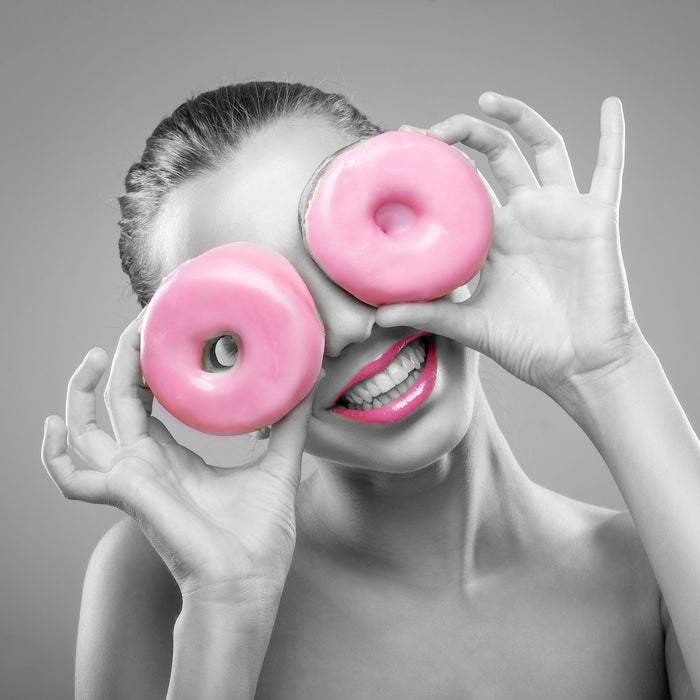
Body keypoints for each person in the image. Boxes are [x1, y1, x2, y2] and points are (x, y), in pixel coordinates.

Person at [41, 81, 700, 699]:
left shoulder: (658, 573)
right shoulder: (161, 582)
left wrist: (609, 370)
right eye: (245, 330)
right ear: (206, 387)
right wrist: (226, 608)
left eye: (357, 245)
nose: (349, 327)